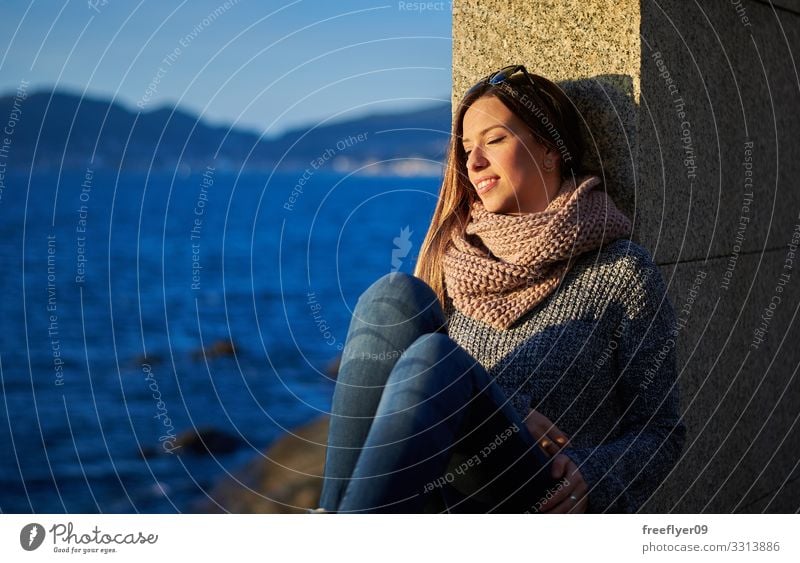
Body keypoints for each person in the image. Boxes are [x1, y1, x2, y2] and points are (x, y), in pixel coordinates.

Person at [315, 65, 685, 514]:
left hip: (537, 492)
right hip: (448, 495)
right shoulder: (453, 261)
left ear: (549, 150)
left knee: (438, 358)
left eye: (493, 140)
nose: (472, 163)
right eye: (467, 149)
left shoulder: (620, 271)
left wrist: (595, 474)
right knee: (392, 297)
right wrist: (503, 407)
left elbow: (661, 430)